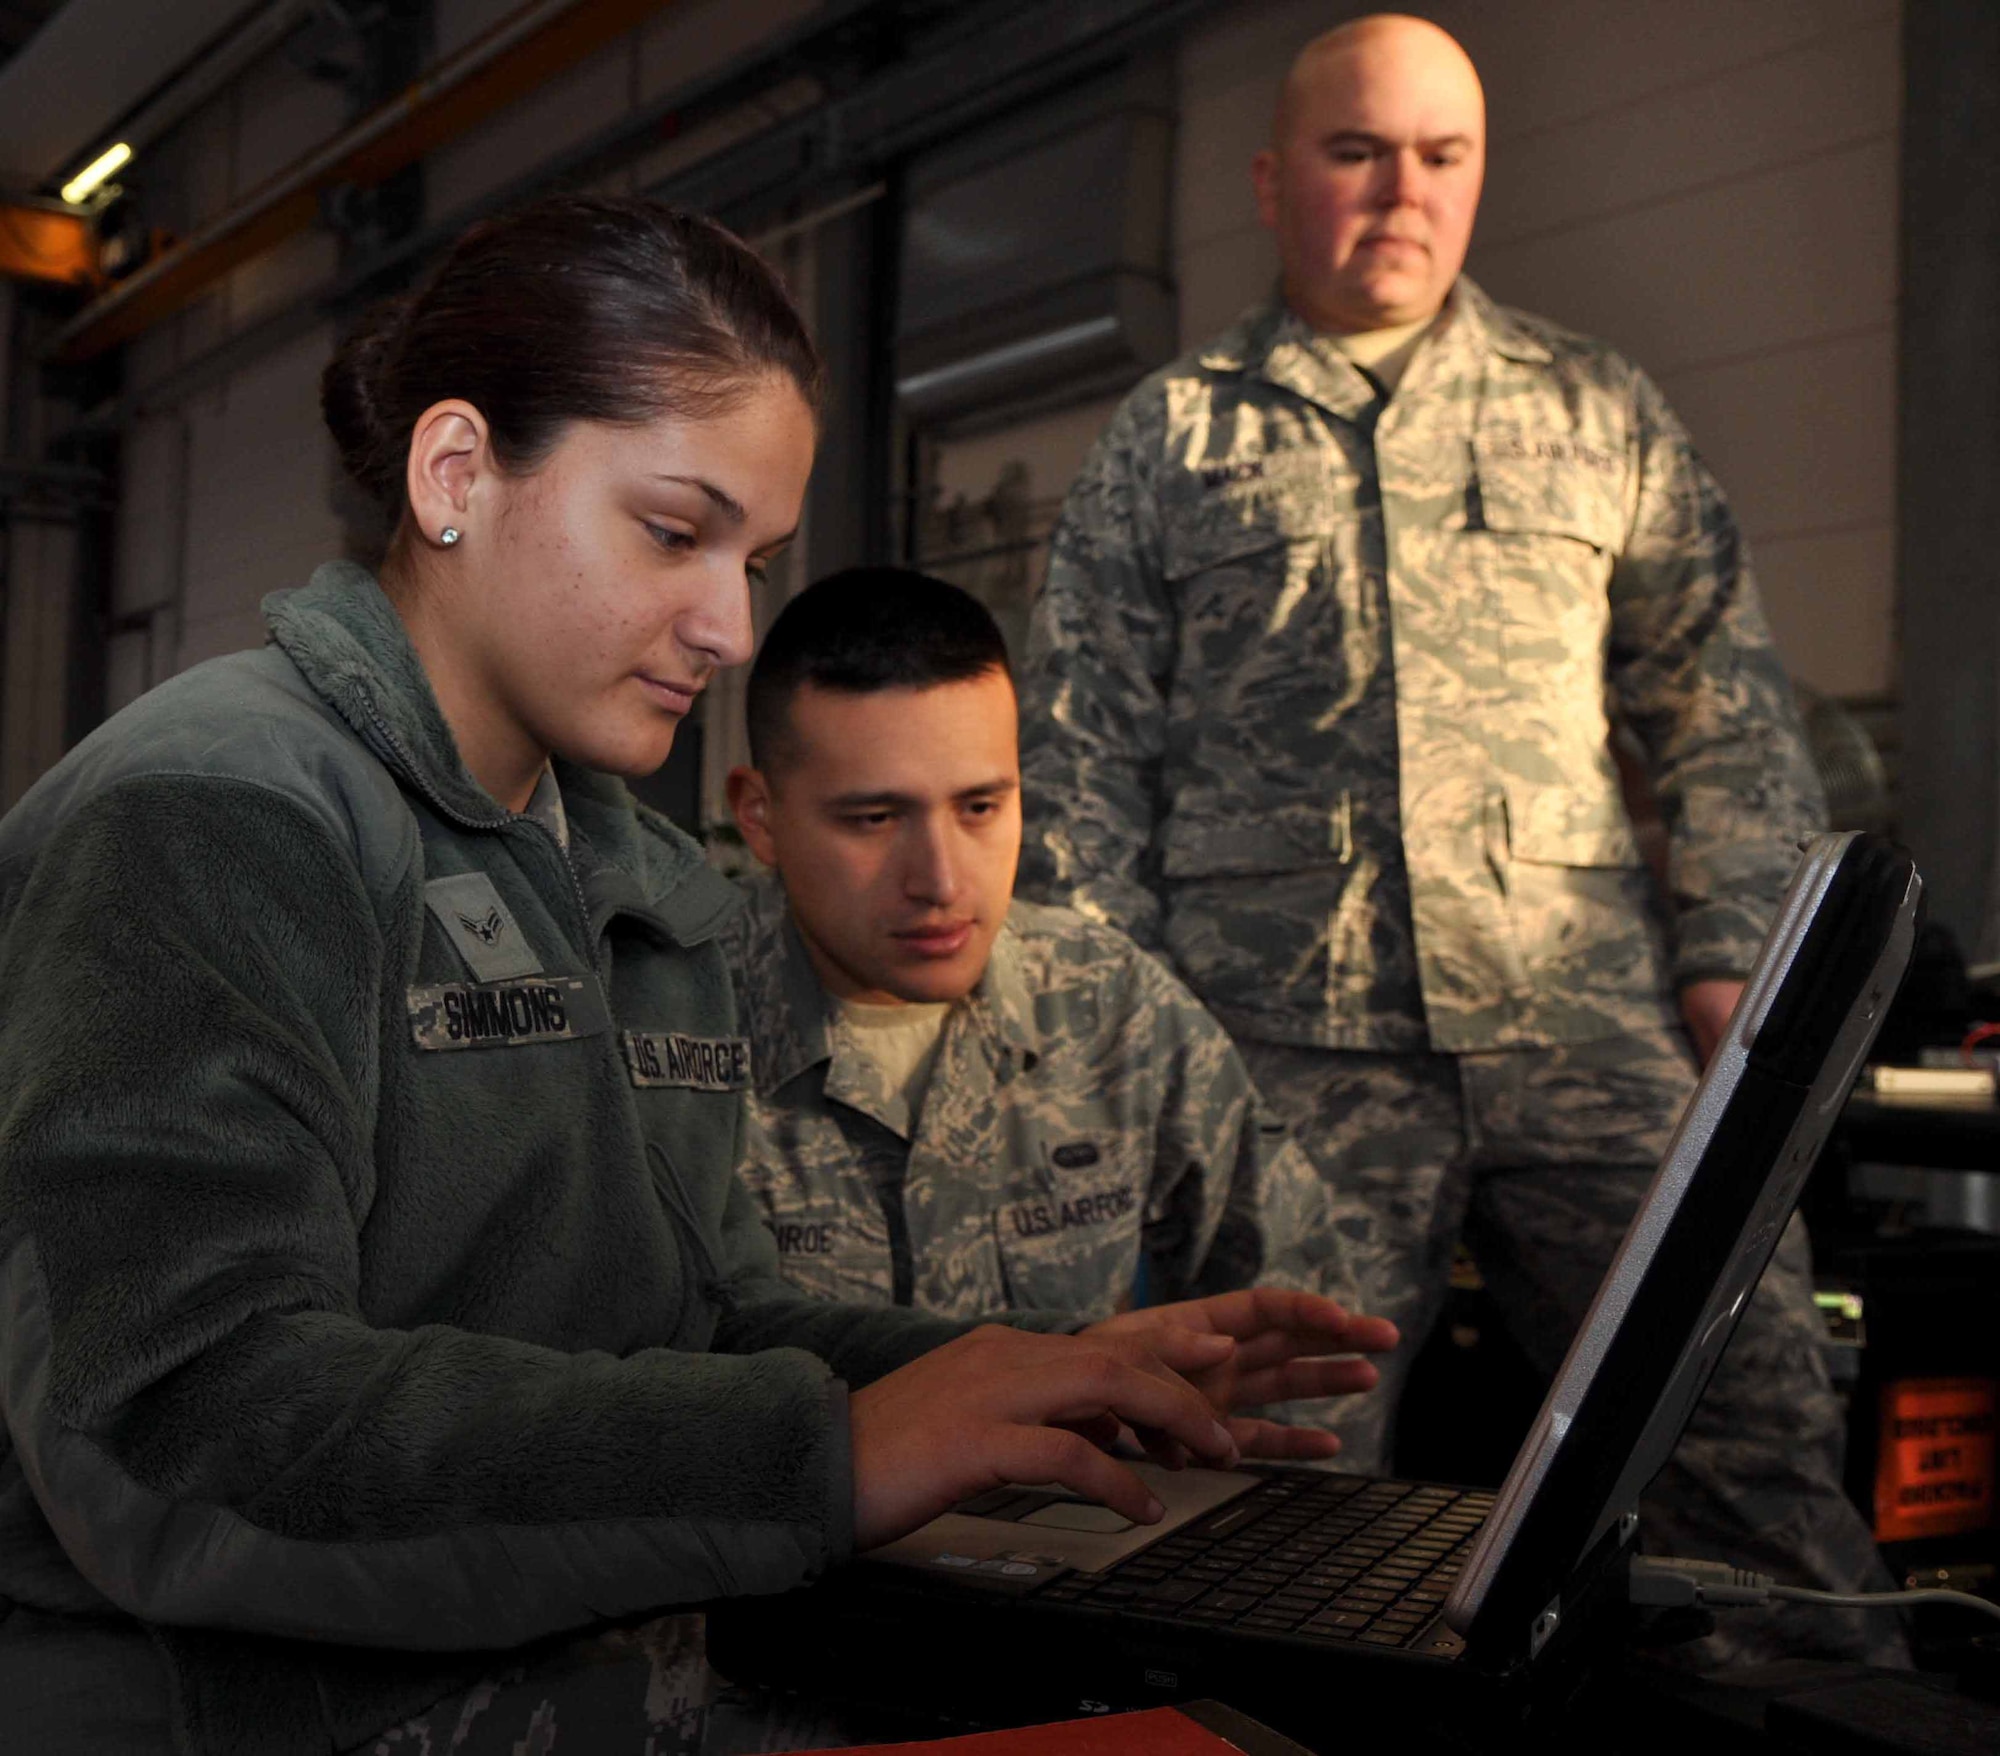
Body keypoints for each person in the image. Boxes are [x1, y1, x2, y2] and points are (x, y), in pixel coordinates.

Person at [0, 195, 1396, 1756]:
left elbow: (701, 1331)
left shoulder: (627, 877)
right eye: (675, 532)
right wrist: (819, 1456)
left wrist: (1008, 1377)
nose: (731, 625)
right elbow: (183, 1431)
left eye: (755, 556)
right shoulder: (216, 814)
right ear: (457, 473)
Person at [1017, 15, 1900, 1667]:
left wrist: (1728, 946)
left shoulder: (1594, 410)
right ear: (1279, 182)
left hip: (1581, 1029)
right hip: (1284, 1051)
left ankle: (1837, 1721)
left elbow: (1715, 684)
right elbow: (1079, 754)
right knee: (1271, 1482)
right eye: (1358, 154)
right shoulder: (1176, 438)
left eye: (1442, 155)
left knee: (1745, 1419)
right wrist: (1124, 1038)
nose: (1400, 194)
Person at [721, 566, 1367, 1323]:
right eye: (874, 819)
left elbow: (1296, 1327)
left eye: (981, 807)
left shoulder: (1107, 1003)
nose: (940, 880)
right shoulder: (674, 1036)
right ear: (760, 817)